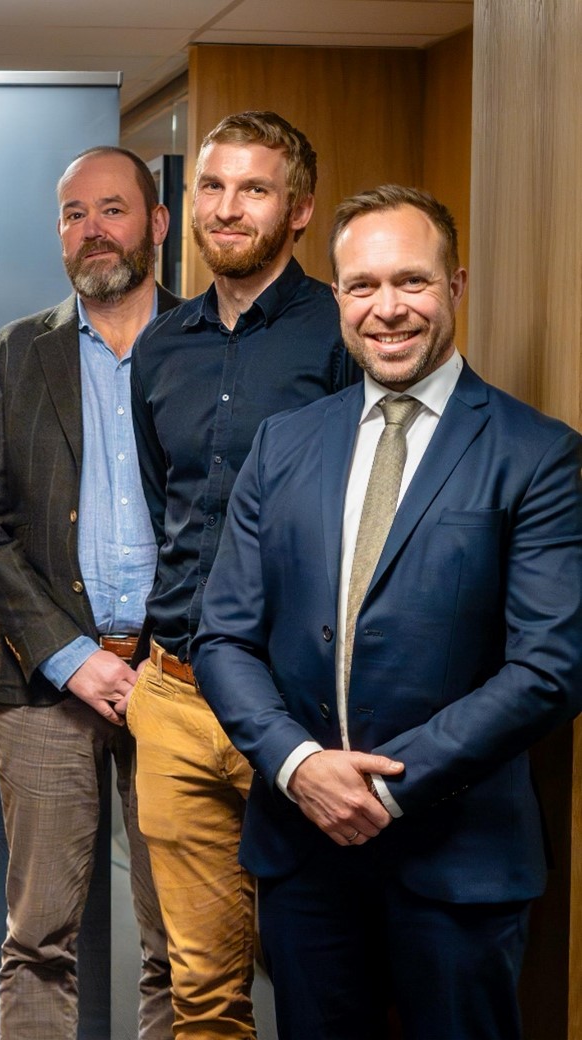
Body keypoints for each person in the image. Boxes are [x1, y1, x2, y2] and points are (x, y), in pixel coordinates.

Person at [192, 185, 582, 1040]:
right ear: (338, 296)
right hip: (304, 858)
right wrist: (299, 765)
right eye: (363, 285)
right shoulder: (283, 444)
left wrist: (381, 790)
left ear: (456, 286)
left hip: (458, 864)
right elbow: (222, 636)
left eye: (413, 281)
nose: (388, 308)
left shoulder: (537, 453)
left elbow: (549, 668)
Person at [127, 110, 358, 1037]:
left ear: (298, 210)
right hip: (177, 700)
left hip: (298, 706)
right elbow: (165, 508)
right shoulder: (160, 345)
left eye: (254, 189)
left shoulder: (340, 334)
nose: (227, 208)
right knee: (202, 993)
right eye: (213, 187)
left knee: (319, 981)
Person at [0, 146, 179, 1040]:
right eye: (73, 214)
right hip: (46, 686)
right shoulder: (12, 355)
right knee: (39, 940)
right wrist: (72, 657)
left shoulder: (208, 347)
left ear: (156, 224)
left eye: (112, 209)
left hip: (183, 680)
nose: (93, 230)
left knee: (182, 946)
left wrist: (175, 655)